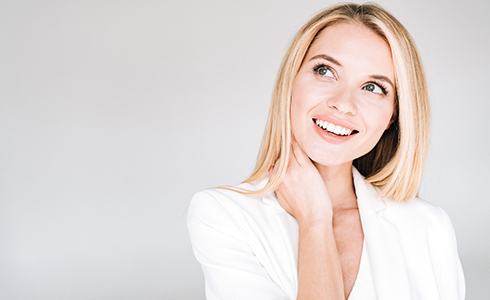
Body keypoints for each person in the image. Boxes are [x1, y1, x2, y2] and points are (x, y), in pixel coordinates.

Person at [186, 2, 466, 300]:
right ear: (291, 81)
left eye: (373, 87)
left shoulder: (428, 227)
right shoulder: (224, 216)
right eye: (325, 71)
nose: (343, 103)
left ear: (393, 115)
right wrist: (315, 222)